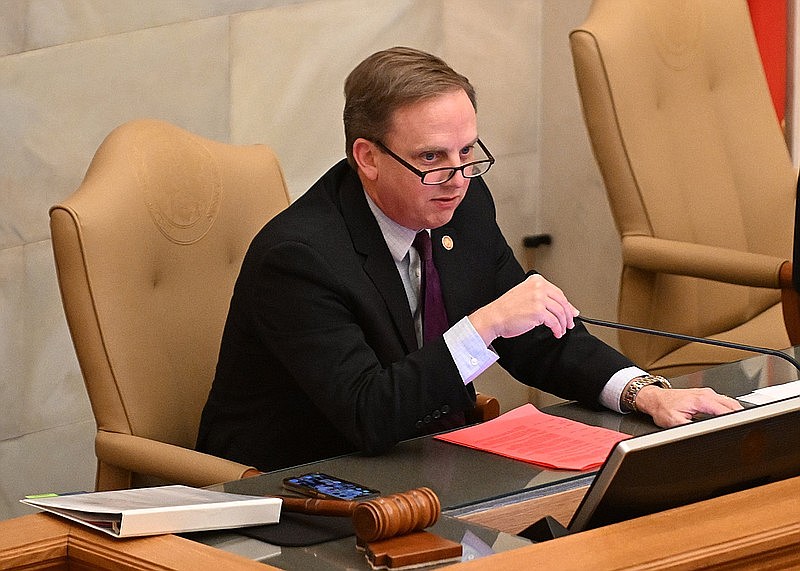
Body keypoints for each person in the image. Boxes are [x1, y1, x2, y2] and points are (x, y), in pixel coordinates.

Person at [196, 46, 741, 472]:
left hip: (427, 467)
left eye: (467, 153)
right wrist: (483, 327)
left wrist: (639, 392)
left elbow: (532, 337)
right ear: (367, 157)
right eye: (431, 157)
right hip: (305, 489)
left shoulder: (461, 204)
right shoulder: (299, 259)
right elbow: (368, 412)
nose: (457, 180)